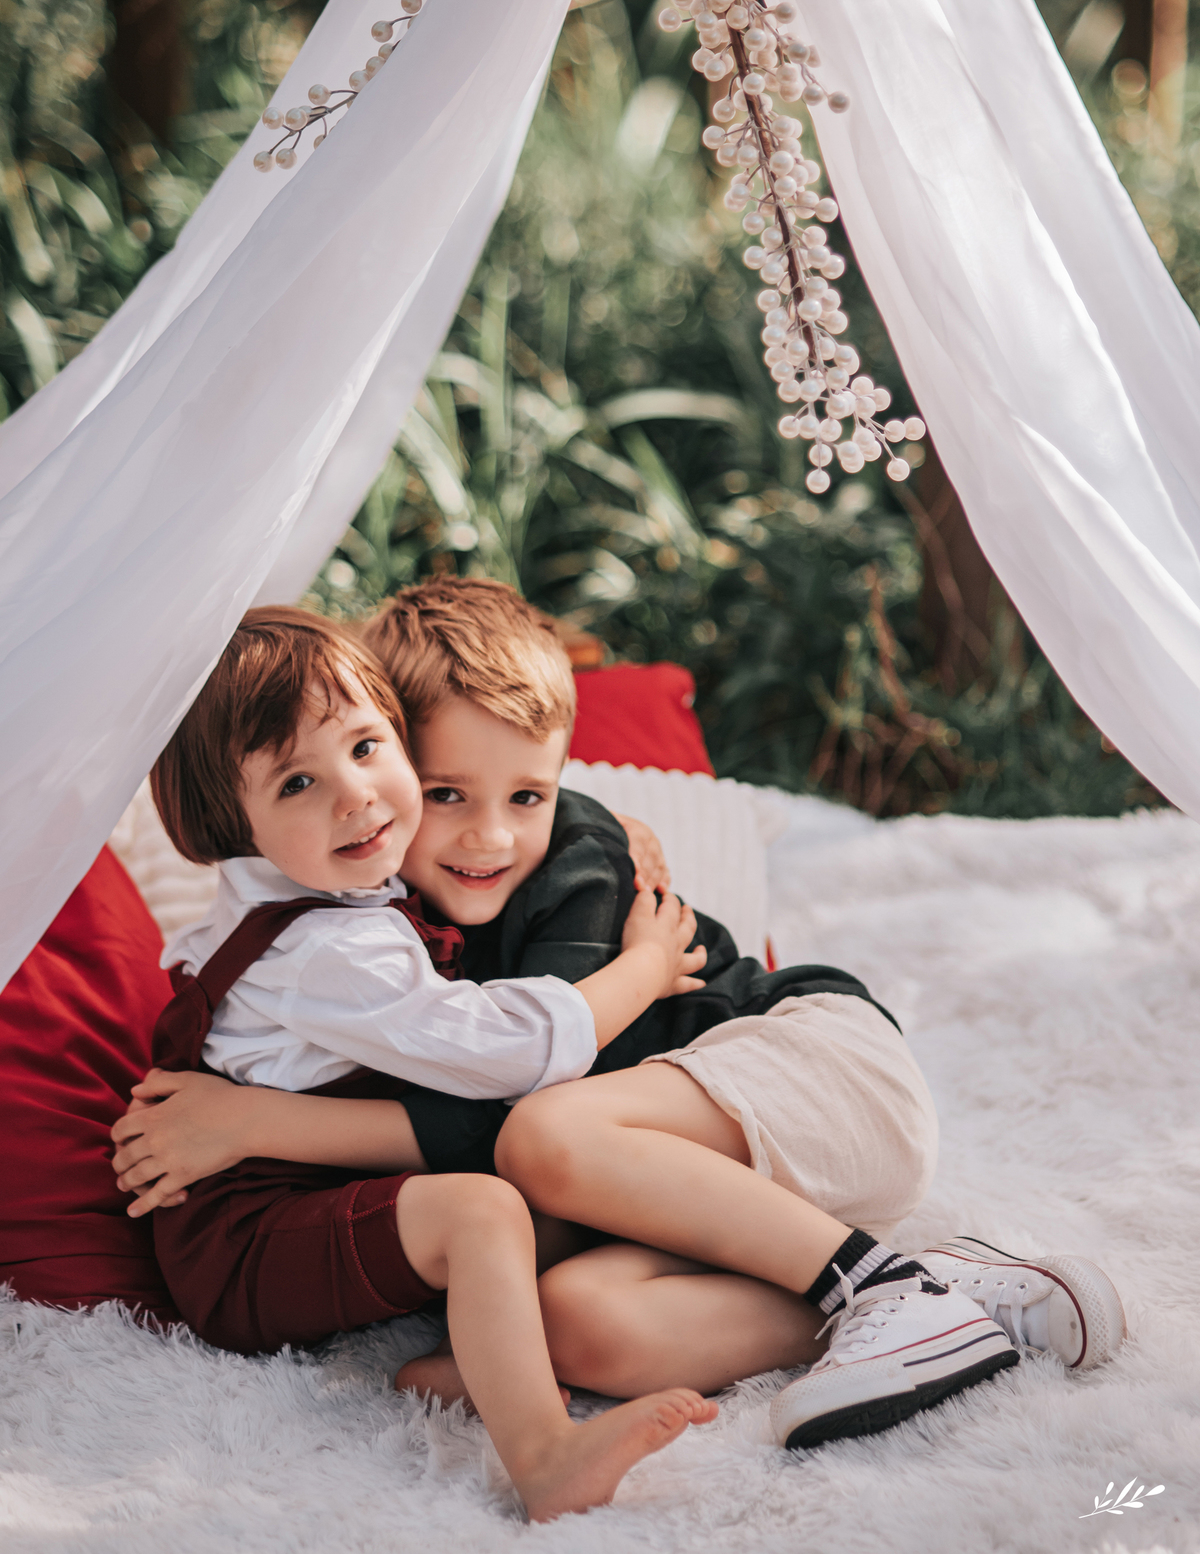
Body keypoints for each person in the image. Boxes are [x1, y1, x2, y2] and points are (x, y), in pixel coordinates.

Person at [115, 582, 1125, 1454]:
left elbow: (506, 1100)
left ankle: (881, 1283)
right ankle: (953, 1298)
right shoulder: (362, 913)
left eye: (528, 794)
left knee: (546, 1130)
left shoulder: (582, 864)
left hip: (813, 1066)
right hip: (718, 1190)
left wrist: (255, 1125)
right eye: (445, 794)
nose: (490, 833)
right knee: (580, 1323)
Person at [136, 604, 718, 1521]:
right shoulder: (332, 951)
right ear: (230, 822)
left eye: (367, 748)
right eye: (297, 783)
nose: (356, 797)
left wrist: (606, 824)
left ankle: (477, 1362)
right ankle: (543, 1454)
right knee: (480, 1207)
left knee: (535, 1200)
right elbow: (513, 1052)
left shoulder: (331, 880)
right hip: (247, 1245)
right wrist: (642, 968)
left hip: (295, 1205)